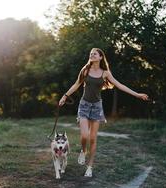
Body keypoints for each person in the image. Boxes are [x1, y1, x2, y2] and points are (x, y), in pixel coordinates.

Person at [58, 48, 149, 177]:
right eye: (91, 54)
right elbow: (76, 85)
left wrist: (137, 94)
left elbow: (120, 85)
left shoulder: (105, 73)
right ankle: (83, 151)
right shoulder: (85, 70)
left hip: (96, 107)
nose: (92, 55)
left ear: (101, 57)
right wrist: (64, 96)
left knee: (93, 139)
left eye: (95, 53)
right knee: (84, 135)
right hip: (84, 105)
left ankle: (89, 167)